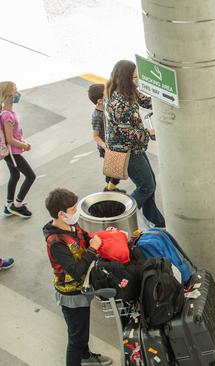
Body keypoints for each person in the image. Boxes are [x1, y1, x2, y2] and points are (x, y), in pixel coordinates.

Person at [43, 188, 113, 366]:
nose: (77, 212)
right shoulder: (56, 242)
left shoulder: (71, 225)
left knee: (81, 330)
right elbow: (76, 270)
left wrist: (103, 236)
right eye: (73, 209)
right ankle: (79, 356)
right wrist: (92, 250)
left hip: (82, 287)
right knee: (76, 338)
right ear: (61, 213)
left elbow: (86, 237)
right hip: (71, 294)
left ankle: (85, 355)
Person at [104, 60, 165, 227]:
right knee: (146, 186)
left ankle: (156, 220)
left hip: (134, 148)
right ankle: (122, 218)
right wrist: (149, 133)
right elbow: (126, 133)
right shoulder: (118, 103)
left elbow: (145, 101)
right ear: (126, 78)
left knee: (149, 182)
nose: (138, 80)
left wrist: (165, 101)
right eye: (135, 77)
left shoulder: (127, 89)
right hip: (126, 150)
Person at [0, 81, 36, 218]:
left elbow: (15, 134)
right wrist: (24, 146)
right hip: (12, 153)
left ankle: (9, 205)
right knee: (31, 176)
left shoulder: (8, 112)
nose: (18, 93)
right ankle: (17, 205)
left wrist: (22, 141)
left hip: (12, 151)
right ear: (8, 95)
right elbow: (9, 139)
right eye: (15, 91)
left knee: (15, 175)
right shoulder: (7, 115)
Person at [88, 83, 125, 193]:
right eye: (106, 94)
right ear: (99, 100)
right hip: (108, 148)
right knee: (118, 170)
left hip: (112, 144)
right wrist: (105, 147)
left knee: (111, 170)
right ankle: (109, 190)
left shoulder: (105, 108)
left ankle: (110, 188)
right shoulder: (97, 116)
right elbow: (95, 136)